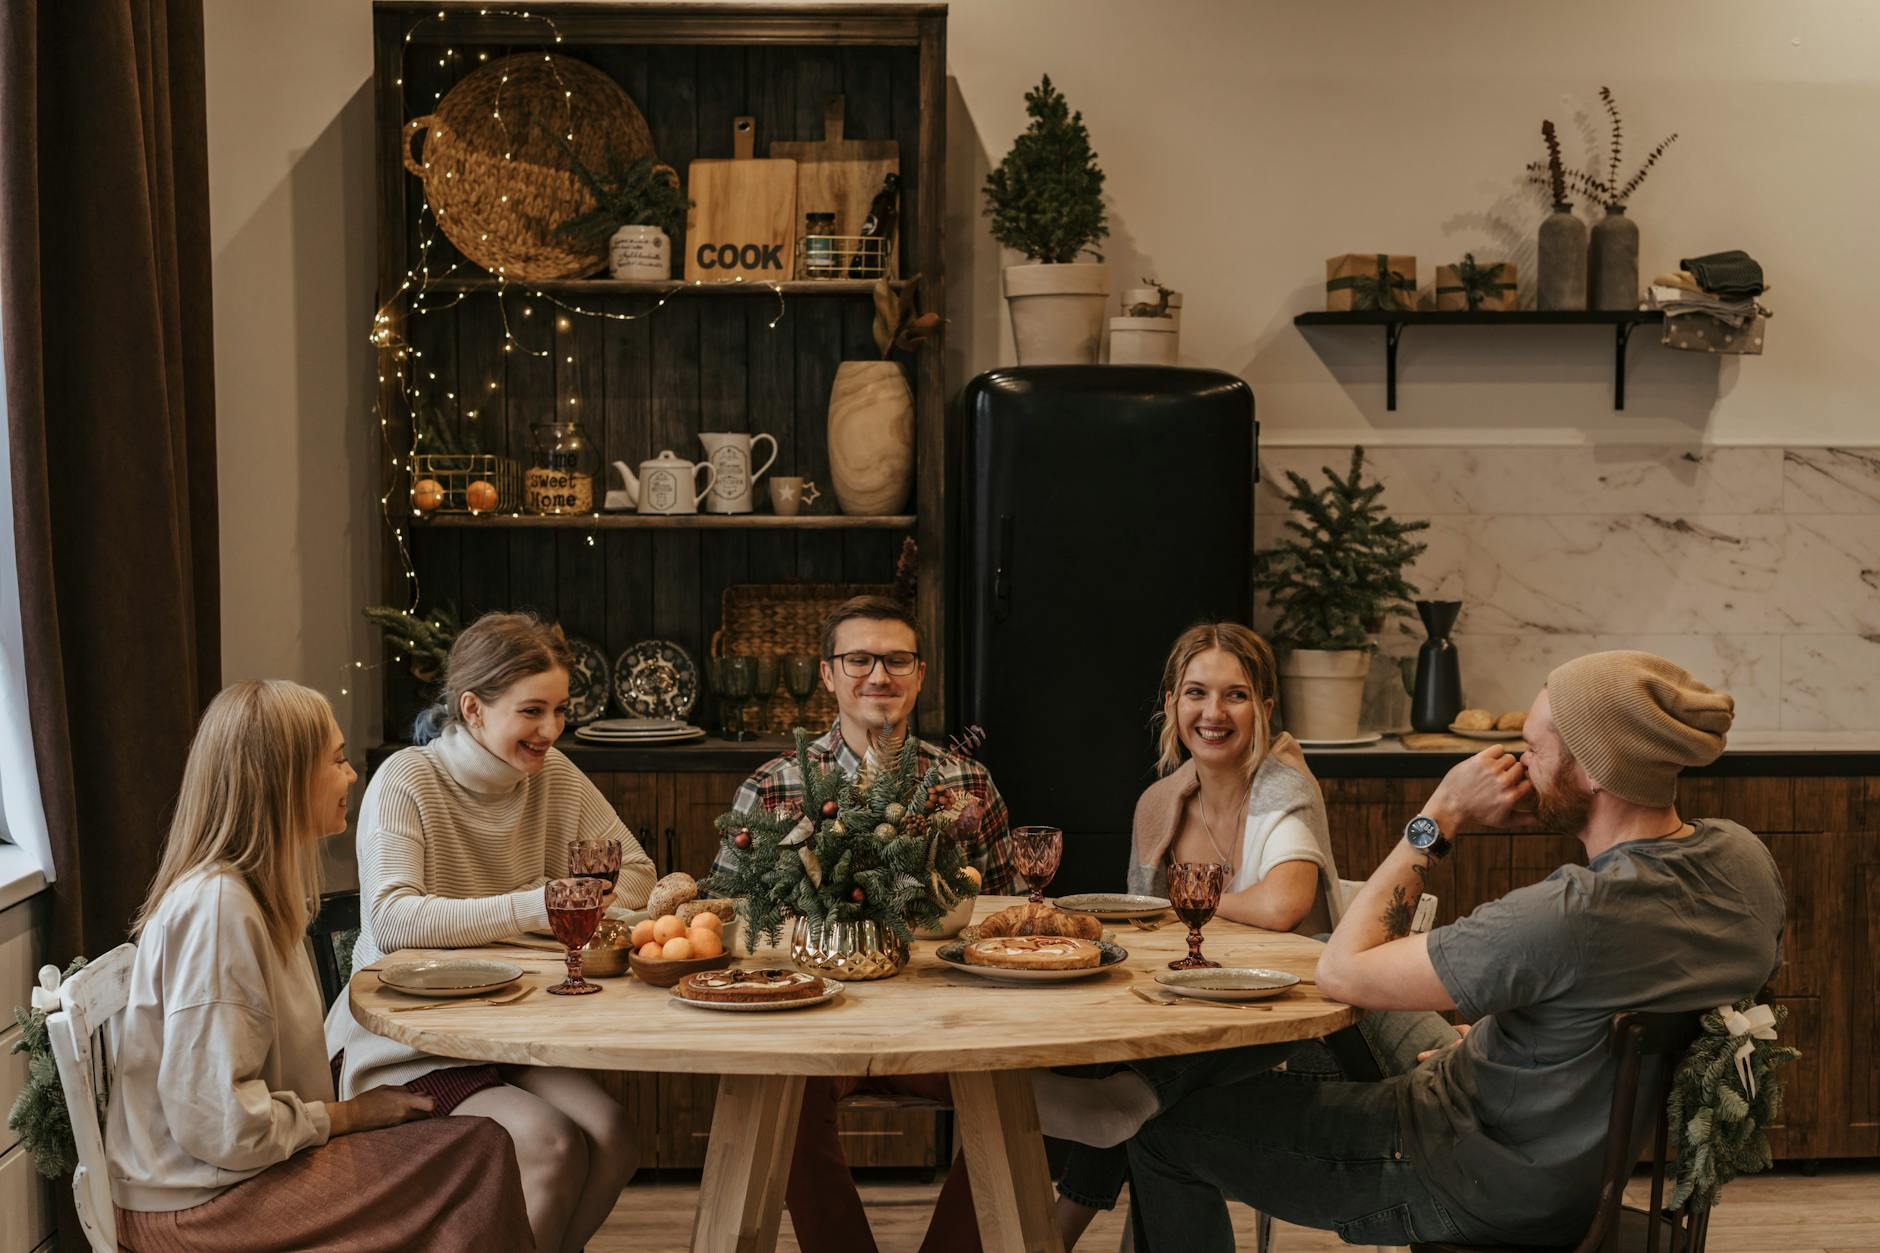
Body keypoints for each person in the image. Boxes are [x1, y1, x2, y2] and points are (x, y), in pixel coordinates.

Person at [1127, 651, 1788, 1249]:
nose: (1520, 765)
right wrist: (1497, 1043)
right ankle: (1145, 1089)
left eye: (1533, 749)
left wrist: (1439, 818)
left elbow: (1342, 970)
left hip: (1458, 1170)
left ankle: (1137, 1100)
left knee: (1162, 1133)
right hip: (1551, 1150)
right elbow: (1613, 991)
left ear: (1591, 769)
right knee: (1323, 1014)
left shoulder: (1565, 916)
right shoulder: (1741, 861)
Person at [109, 680, 533, 1251]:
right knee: (476, 1153)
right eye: (334, 761)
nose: (351, 775)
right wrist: (345, 1117)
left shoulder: (249, 896)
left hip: (224, 1181)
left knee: (473, 1148)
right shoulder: (218, 910)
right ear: (284, 781)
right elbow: (217, 1123)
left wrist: (339, 1117)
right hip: (198, 1209)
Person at [326, 611, 657, 1253]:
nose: (552, 730)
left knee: (615, 1135)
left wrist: (587, 896)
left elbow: (637, 869)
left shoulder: (552, 776)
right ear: (474, 709)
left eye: (561, 710)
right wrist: (541, 905)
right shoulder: (406, 780)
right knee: (553, 1143)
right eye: (532, 711)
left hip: (507, 1031)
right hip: (407, 1045)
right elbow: (393, 923)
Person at [714, 594, 1013, 1253]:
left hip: (945, 1026)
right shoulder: (775, 784)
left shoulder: (965, 782)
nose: (879, 674)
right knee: (778, 1101)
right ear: (827, 673)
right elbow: (730, 923)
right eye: (858, 659)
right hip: (814, 1019)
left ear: (921, 671)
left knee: (1030, 1097)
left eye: (897, 658)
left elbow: (999, 925)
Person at [1038, 623, 1343, 1249]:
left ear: (1262, 708)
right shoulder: (1160, 802)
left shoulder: (1285, 786)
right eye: (1195, 693)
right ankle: (1052, 1226)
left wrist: (1189, 905)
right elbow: (1143, 942)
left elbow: (1287, 903)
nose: (1212, 712)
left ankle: (1052, 1230)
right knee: (1139, 1086)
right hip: (1185, 1019)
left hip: (1294, 1030)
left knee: (1142, 1102)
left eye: (1234, 695)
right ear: (1171, 704)